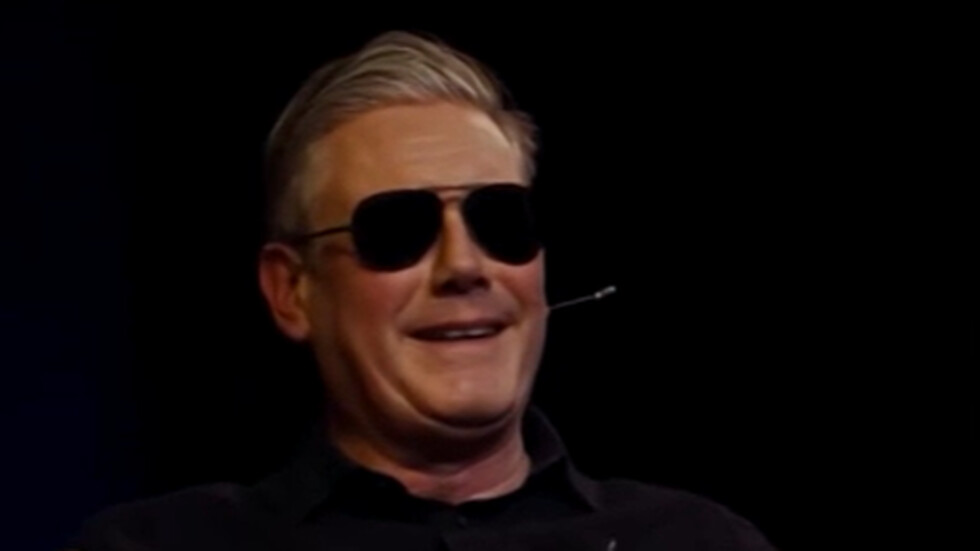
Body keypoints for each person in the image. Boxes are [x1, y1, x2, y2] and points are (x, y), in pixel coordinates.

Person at [69, 31, 777, 550]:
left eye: (499, 219)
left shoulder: (699, 542)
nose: (464, 265)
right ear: (292, 290)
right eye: (397, 229)